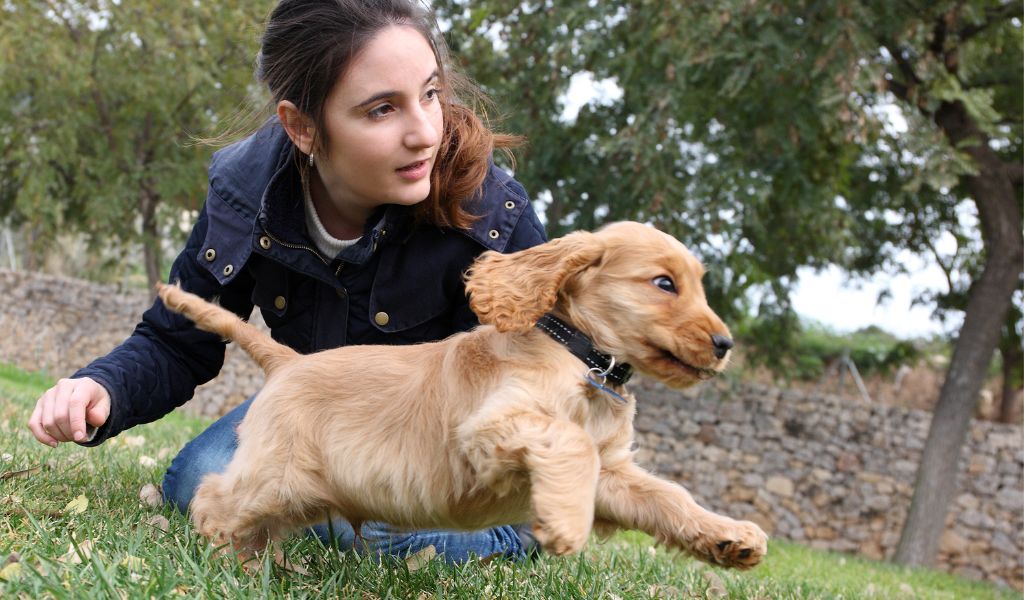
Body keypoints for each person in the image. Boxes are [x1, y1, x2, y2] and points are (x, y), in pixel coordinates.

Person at [27, 0, 546, 563]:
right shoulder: (245, 194)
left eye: (430, 94)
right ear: (301, 126)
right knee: (202, 475)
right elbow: (177, 342)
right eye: (381, 110)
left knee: (369, 516)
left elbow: (538, 381)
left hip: (446, 455)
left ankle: (503, 539)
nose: (424, 132)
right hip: (315, 415)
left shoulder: (495, 217)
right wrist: (101, 388)